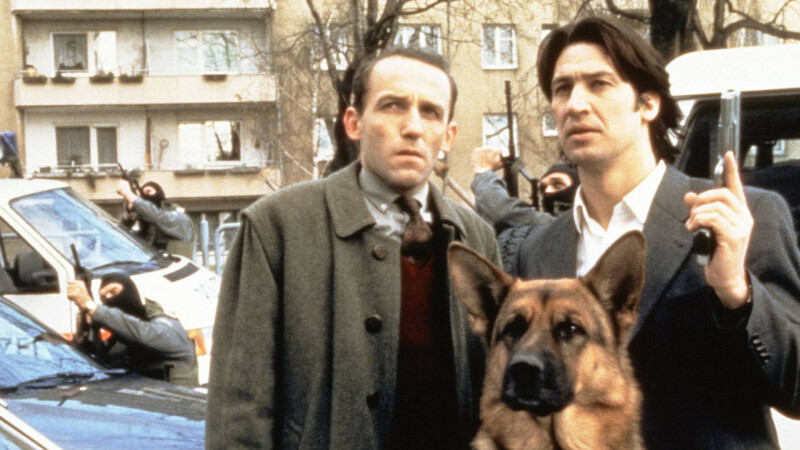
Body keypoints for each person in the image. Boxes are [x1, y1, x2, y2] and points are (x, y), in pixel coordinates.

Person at [515, 16, 800, 448]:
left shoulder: (741, 217)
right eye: (562, 89)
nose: (575, 104)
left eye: (598, 84)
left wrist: (737, 292)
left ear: (648, 104)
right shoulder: (539, 250)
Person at [206, 46, 500, 449]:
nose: (413, 127)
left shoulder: (476, 238)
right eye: (393, 106)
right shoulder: (278, 227)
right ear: (354, 123)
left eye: (431, 112)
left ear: (448, 135)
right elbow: (240, 406)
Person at [66, 273, 198, 387]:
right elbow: (101, 365)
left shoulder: (166, 325)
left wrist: (90, 306)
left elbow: (144, 334)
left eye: (114, 292)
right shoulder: (123, 340)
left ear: (131, 291)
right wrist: (82, 336)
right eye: (104, 298)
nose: (109, 298)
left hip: (178, 403)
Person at [470, 147, 579, 233]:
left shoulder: (573, 226)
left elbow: (503, 212)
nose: (547, 192)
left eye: (558, 185)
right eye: (542, 188)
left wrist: (483, 172)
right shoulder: (539, 235)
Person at [117, 180, 196, 257]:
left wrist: (130, 196)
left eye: (149, 191)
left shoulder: (179, 217)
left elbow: (157, 216)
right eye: (143, 195)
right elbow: (121, 236)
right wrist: (128, 213)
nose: (146, 196)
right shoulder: (147, 229)